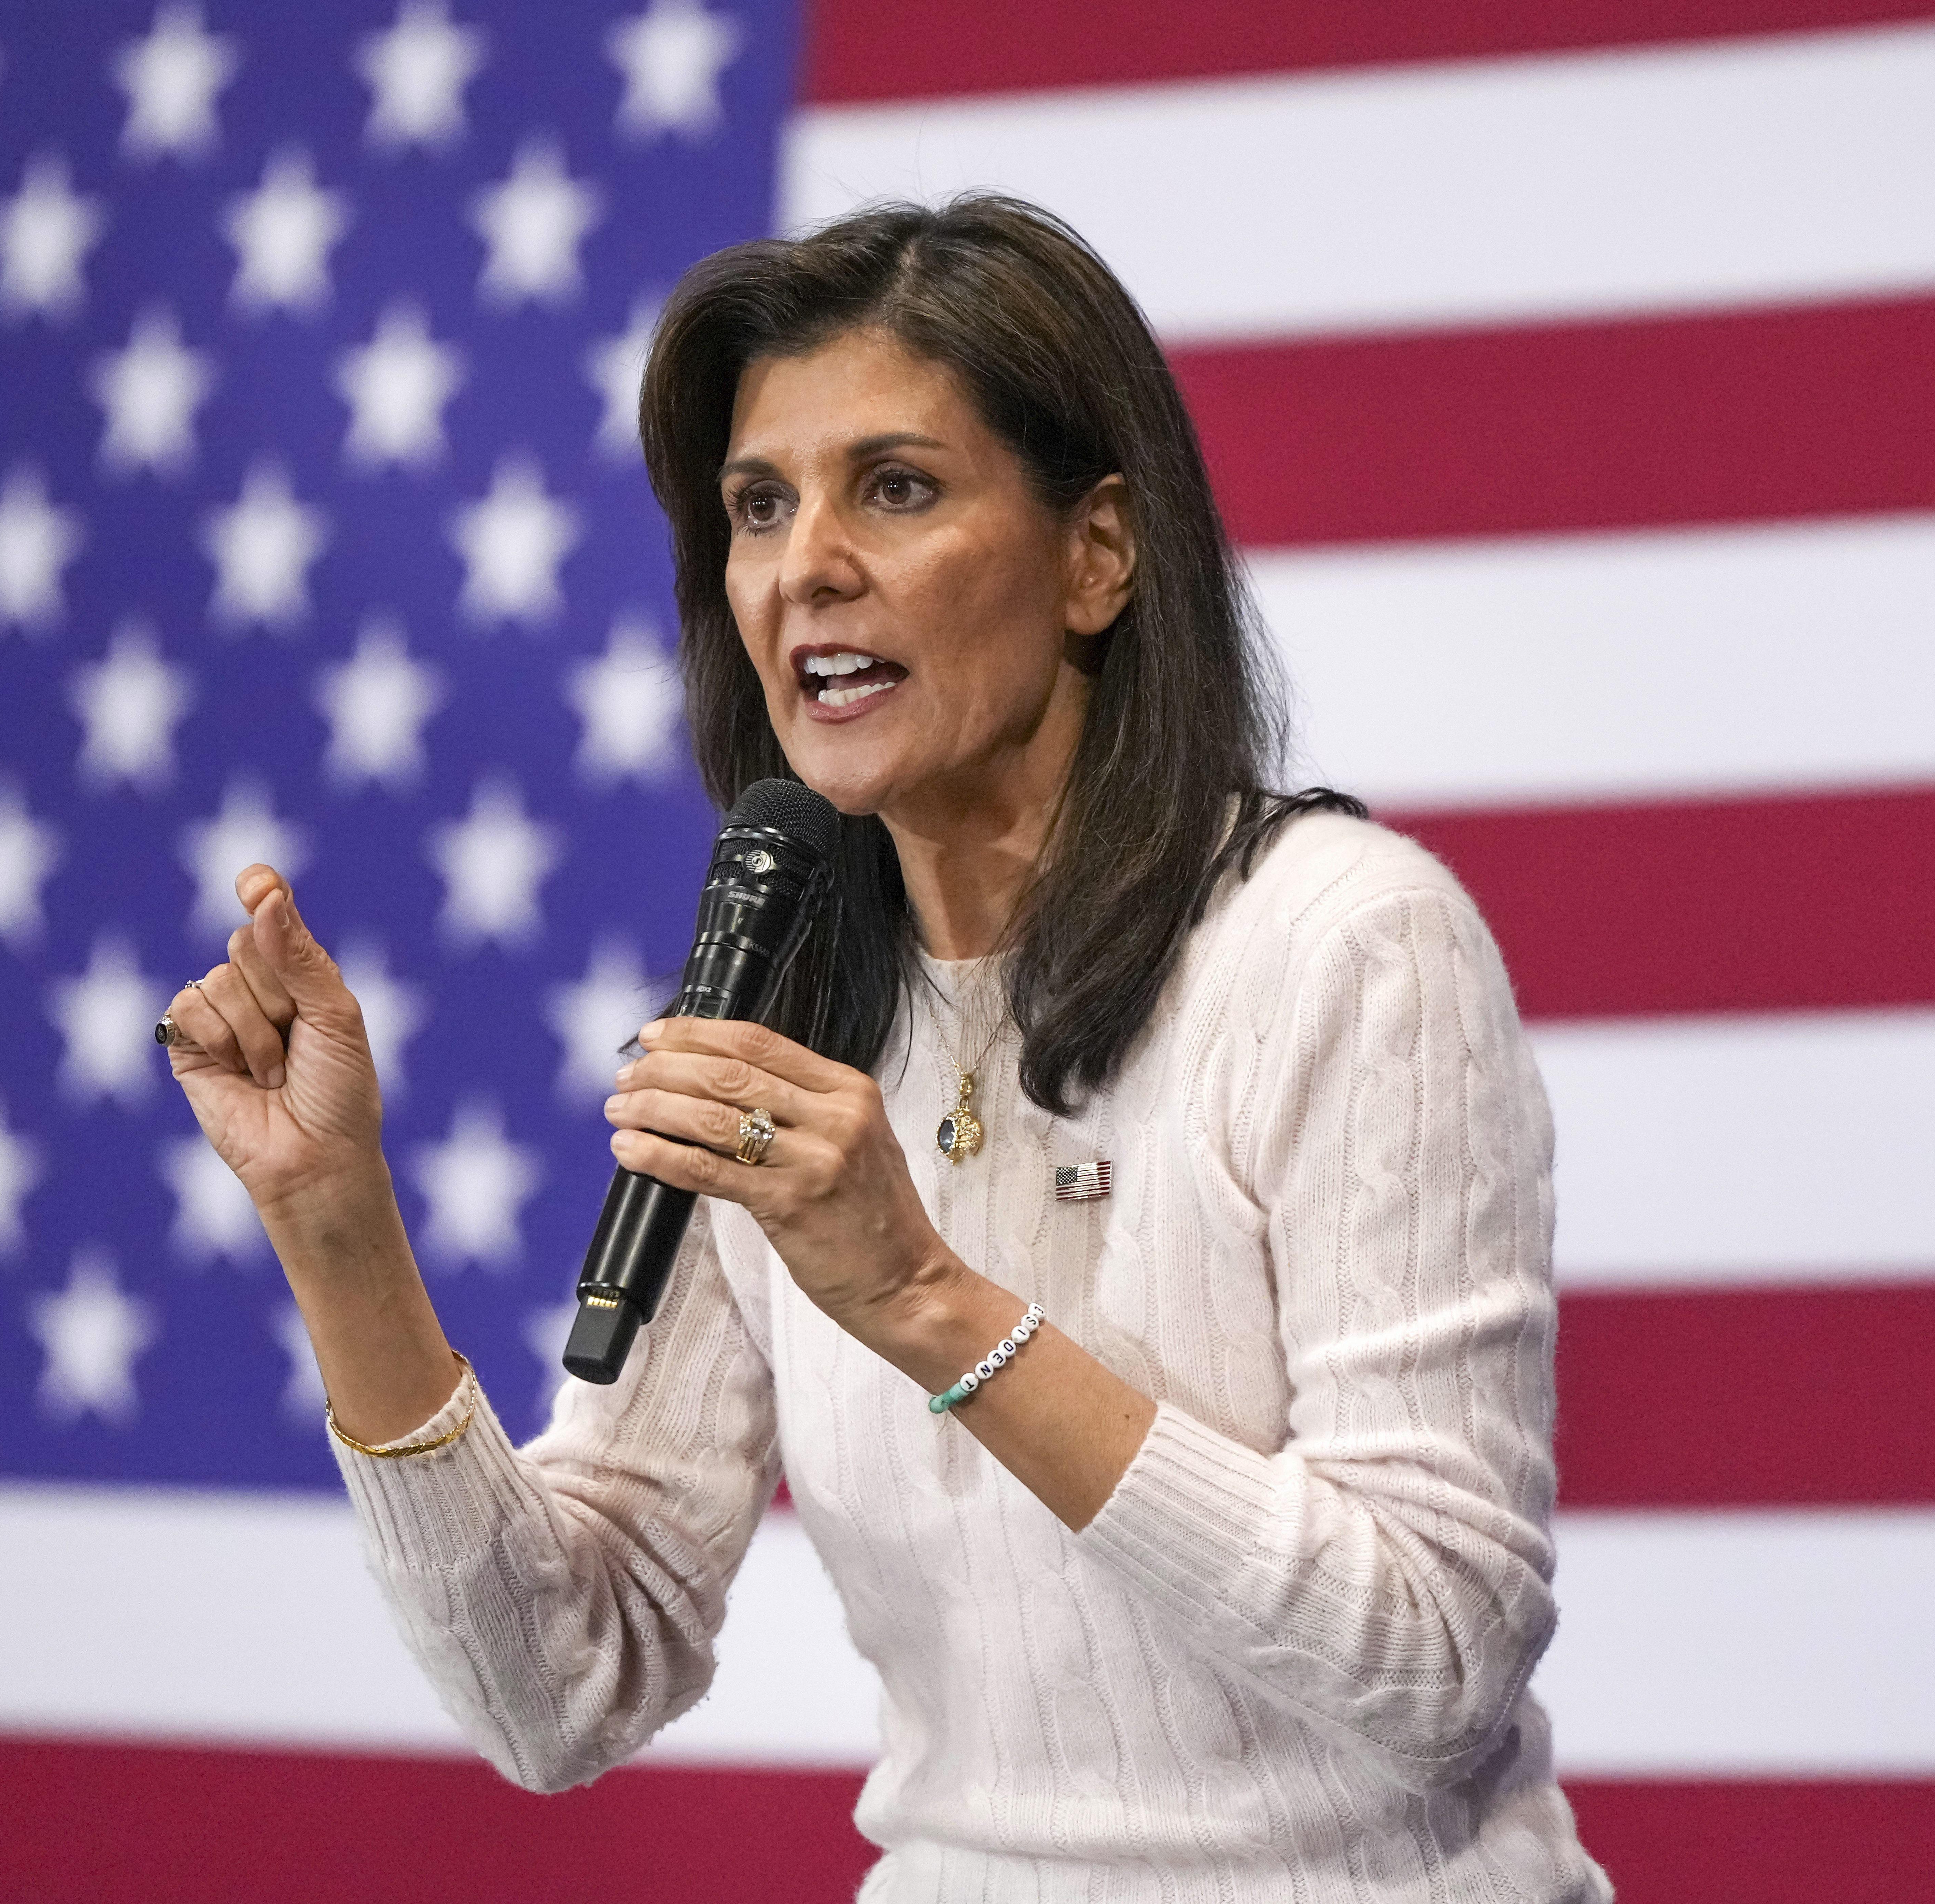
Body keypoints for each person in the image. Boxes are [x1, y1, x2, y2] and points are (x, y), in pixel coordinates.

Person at [159, 195, 1612, 1901]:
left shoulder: (1342, 945)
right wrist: (338, 1227)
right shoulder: (775, 997)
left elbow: (1438, 1658)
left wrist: (927, 1299)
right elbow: (559, 1679)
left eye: (895, 489)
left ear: (1098, 554)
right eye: (758, 507)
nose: (805, 566)